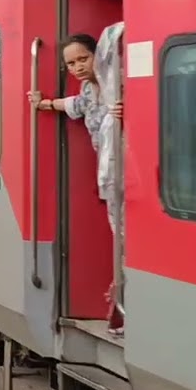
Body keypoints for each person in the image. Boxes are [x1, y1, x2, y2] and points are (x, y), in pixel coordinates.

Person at [27, 27, 125, 334]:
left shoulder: (119, 84)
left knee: (128, 237)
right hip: (109, 176)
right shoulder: (87, 92)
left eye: (83, 58)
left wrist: (127, 110)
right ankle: (122, 301)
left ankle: (125, 305)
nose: (78, 67)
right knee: (120, 236)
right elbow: (72, 105)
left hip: (128, 174)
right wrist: (42, 103)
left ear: (99, 56)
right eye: (71, 64)